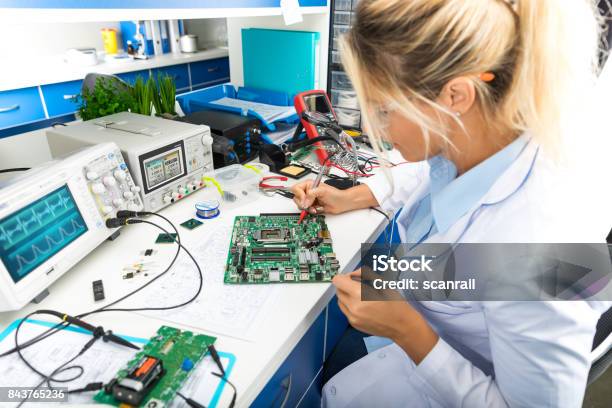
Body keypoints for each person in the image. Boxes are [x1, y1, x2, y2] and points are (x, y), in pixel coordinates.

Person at [291, 0, 611, 406]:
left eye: (385, 109)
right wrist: (353, 195)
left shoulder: (543, 246)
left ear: (455, 96)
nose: (380, 131)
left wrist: (409, 331)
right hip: (420, 318)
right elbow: (431, 173)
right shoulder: (488, 139)